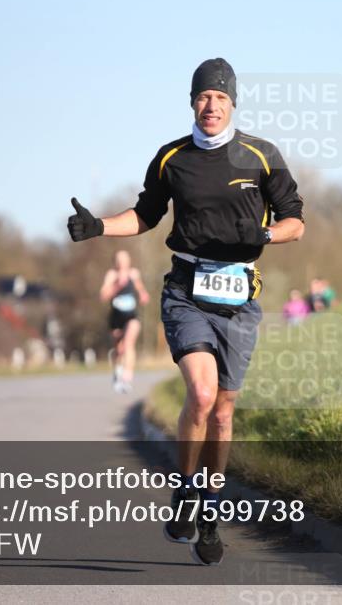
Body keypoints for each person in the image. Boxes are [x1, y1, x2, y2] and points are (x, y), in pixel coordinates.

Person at [67, 57, 304, 566]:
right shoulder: (172, 158)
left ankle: (210, 510)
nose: (210, 105)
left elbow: (295, 222)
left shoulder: (262, 157)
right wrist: (98, 227)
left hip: (240, 300)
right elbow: (145, 215)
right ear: (192, 102)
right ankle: (185, 489)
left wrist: (263, 234)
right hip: (187, 291)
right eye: (202, 97)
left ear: (233, 102)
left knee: (223, 411)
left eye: (220, 97)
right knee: (200, 393)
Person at [99, 250, 149, 393]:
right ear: (115, 262)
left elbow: (140, 289)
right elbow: (103, 296)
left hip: (131, 315)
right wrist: (117, 286)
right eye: (119, 260)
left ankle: (127, 378)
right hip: (116, 317)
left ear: (129, 261)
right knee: (119, 349)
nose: (122, 263)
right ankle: (118, 371)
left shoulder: (134, 273)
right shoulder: (111, 275)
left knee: (129, 342)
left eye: (125, 260)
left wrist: (143, 295)